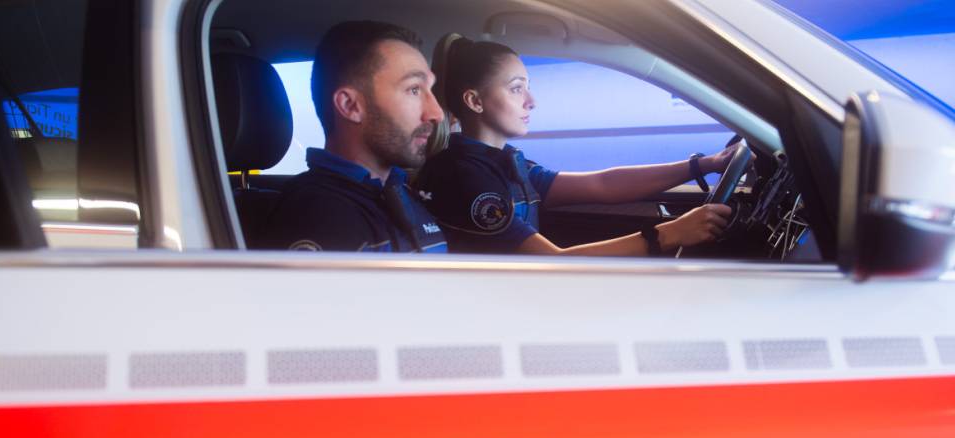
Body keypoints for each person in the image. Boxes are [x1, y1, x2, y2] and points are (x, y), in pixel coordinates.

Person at [415, 35, 739, 256]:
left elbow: (601, 184)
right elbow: (549, 263)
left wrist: (703, 165)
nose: (532, 101)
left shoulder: (503, 161)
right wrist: (669, 234)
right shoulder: (463, 175)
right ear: (474, 101)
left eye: (528, 88)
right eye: (516, 89)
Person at [260, 21, 448, 253]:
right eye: (414, 89)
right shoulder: (321, 219)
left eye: (430, 89)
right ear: (350, 106)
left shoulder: (397, 190)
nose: (437, 113)